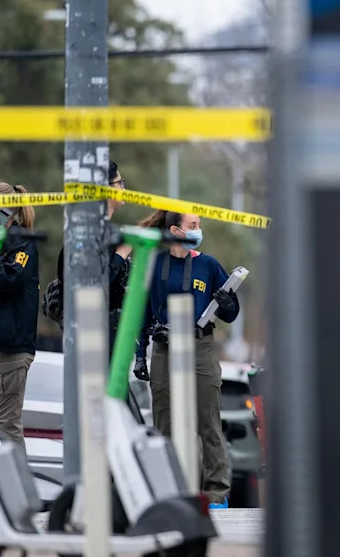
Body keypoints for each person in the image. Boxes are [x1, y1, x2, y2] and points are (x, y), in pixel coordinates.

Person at [132, 210, 239, 508]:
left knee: (208, 421)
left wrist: (229, 302)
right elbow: (142, 313)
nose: (198, 229)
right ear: (176, 231)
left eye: (199, 225)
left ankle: (216, 492)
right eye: (193, 225)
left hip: (200, 345)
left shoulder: (208, 265)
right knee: (165, 422)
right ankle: (167, 490)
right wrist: (140, 356)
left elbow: (230, 313)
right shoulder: (155, 265)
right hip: (165, 348)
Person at [0, 182, 40, 448]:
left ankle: (17, 489)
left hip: (10, 346)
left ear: (4, 211)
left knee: (6, 425)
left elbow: (8, 283)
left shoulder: (21, 240)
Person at [43, 161, 130, 350]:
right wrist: (121, 256)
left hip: (109, 331)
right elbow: (93, 285)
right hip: (90, 333)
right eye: (120, 183)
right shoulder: (87, 235)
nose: (124, 188)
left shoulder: (109, 232)